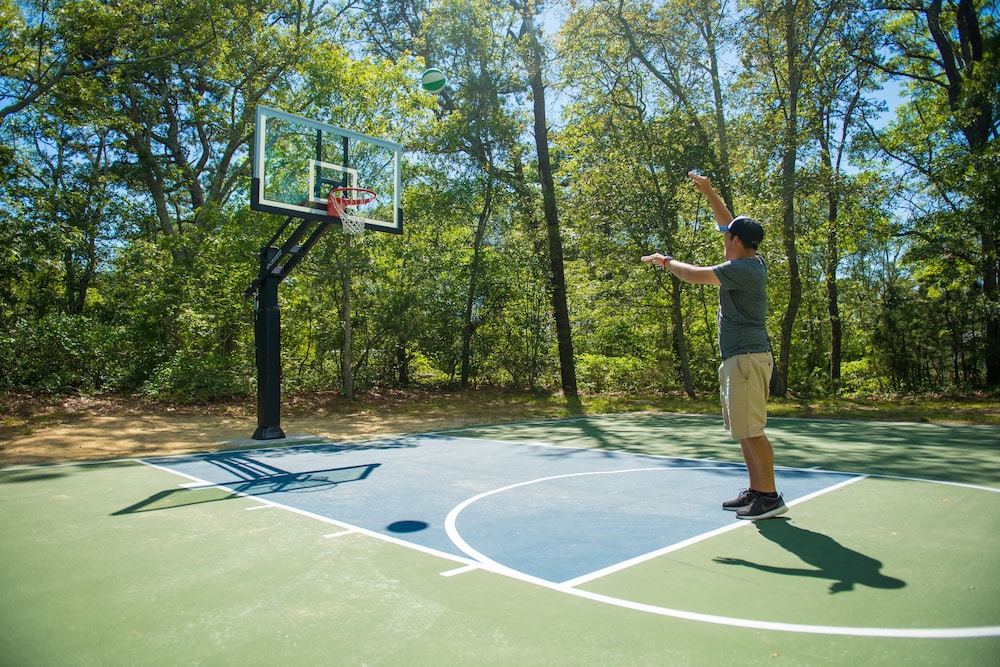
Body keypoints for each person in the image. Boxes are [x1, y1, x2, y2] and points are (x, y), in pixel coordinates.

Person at [641, 171, 785, 520]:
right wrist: (708, 192)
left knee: (753, 430)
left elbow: (692, 275)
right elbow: (727, 222)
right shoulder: (749, 258)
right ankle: (756, 490)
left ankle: (770, 497)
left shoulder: (743, 269)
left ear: (736, 241)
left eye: (727, 236)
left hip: (747, 359)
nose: (723, 238)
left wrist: (665, 261)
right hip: (739, 357)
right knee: (743, 431)